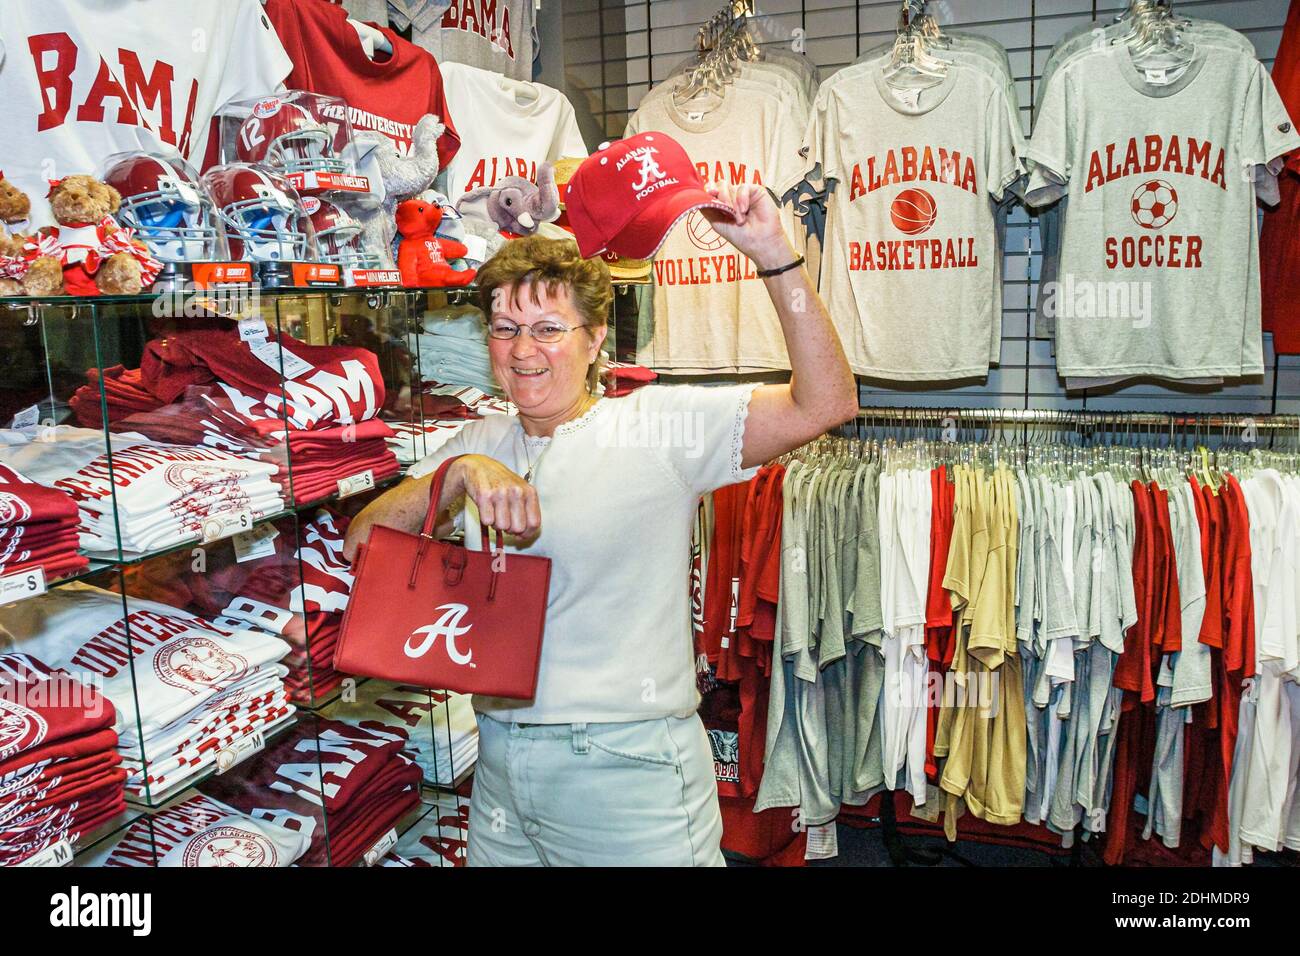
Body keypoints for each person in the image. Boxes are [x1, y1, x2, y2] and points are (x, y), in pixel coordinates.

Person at [343, 181, 858, 866]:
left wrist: (774, 257)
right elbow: (362, 543)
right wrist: (456, 476)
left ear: (594, 342)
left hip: (627, 773)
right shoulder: (479, 440)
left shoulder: (657, 427)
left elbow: (825, 402)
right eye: (505, 328)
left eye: (550, 329)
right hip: (499, 766)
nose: (524, 350)